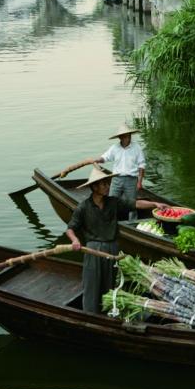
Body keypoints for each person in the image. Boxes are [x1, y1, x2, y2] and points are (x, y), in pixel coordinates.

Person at [65, 167, 167, 313]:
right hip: (93, 250)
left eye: (107, 184)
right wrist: (75, 240)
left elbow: (134, 203)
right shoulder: (83, 207)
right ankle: (90, 314)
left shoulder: (113, 202)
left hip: (112, 248)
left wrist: (155, 204)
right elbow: (70, 228)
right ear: (94, 187)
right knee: (92, 283)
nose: (108, 187)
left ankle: (107, 312)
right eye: (104, 184)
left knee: (110, 283)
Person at [60, 124, 146, 219]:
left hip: (131, 179)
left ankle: (132, 223)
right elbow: (105, 158)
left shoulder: (136, 147)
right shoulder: (115, 148)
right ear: (120, 137)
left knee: (132, 204)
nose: (128, 138)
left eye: (129, 135)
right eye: (125, 136)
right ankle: (110, 220)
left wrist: (139, 181)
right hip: (116, 179)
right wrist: (96, 160)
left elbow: (141, 165)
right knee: (110, 201)